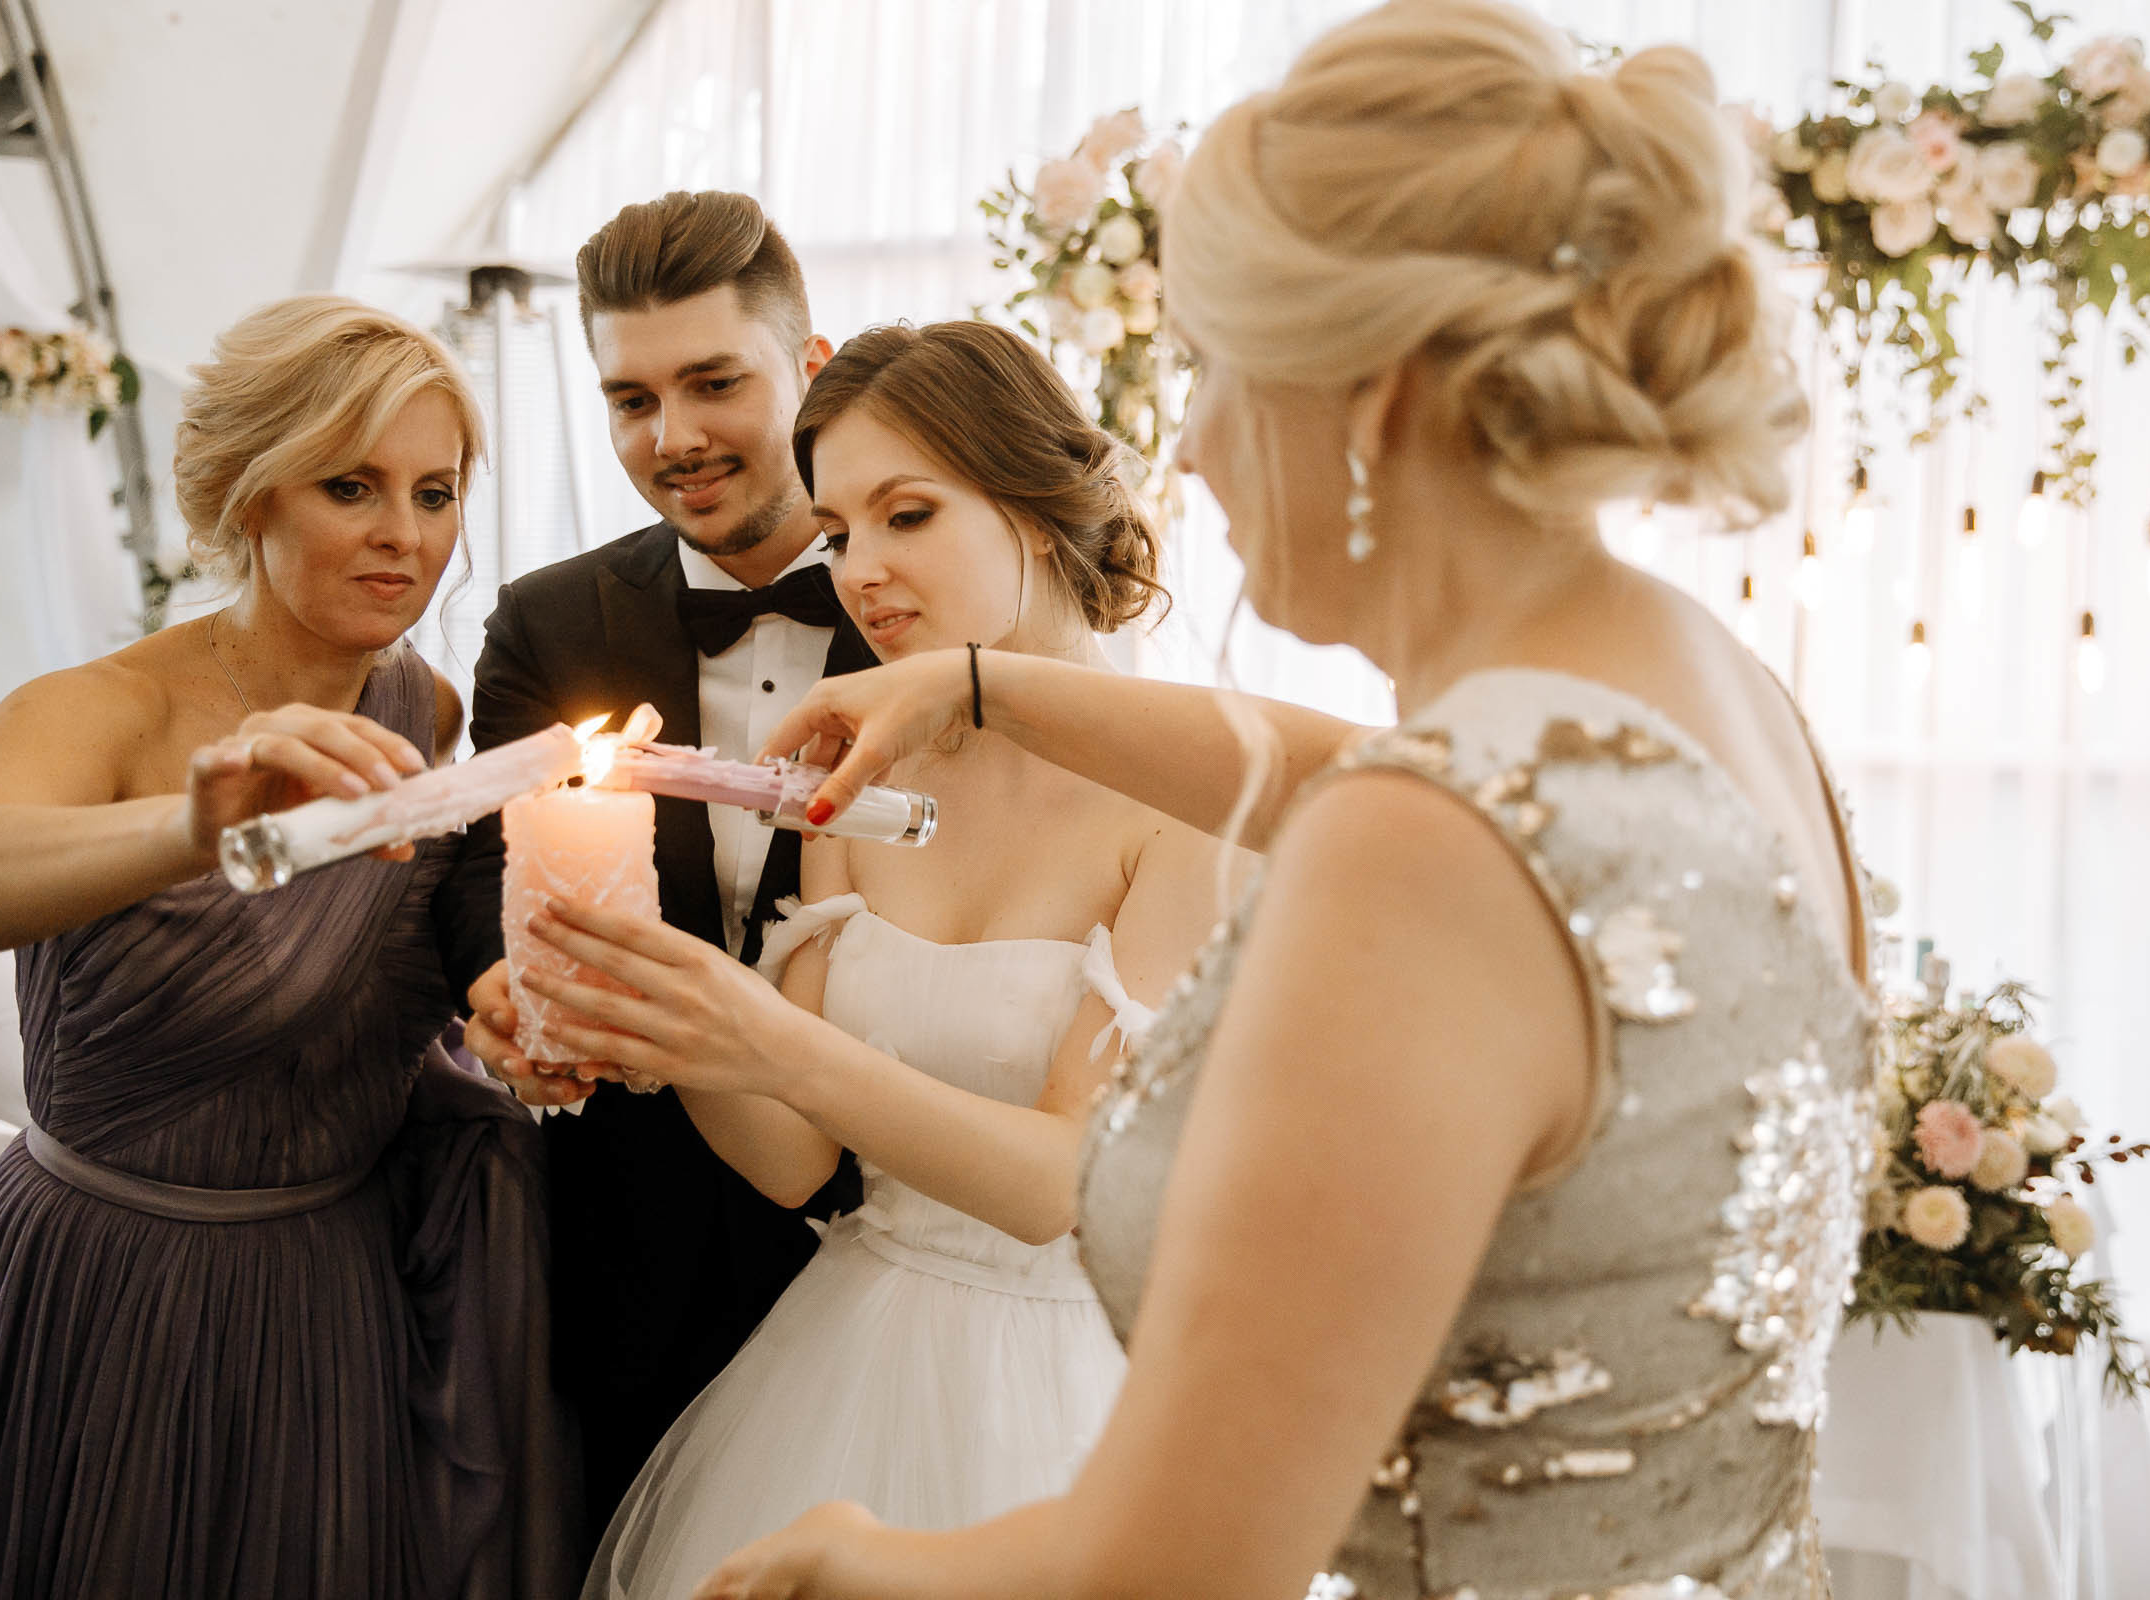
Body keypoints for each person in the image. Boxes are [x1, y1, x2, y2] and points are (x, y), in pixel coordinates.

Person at [694, 4, 1877, 1597]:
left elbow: (1180, 1561)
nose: (1188, 444)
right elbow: (1330, 770)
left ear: (1369, 399)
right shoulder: (1704, 691)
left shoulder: (1427, 850)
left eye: (1215, 372)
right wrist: (976, 687)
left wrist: (856, 1563)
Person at [508, 320, 1225, 1599]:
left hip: (1071, 1388)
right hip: (846, 1348)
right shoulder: (873, 774)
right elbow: (796, 1156)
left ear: (1039, 507)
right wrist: (652, 1005)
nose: (863, 573)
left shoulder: (1185, 803)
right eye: (839, 533)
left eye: (908, 516)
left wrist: (761, 1032)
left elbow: (1065, 1183)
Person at [0, 295, 571, 1599]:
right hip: (107, 1292)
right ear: (247, 493)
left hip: (329, 1289)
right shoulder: (100, 709)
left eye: (437, 491)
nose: (406, 535)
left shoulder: (423, 706)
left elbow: (377, 984)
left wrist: (502, 1015)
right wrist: (190, 826)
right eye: (353, 486)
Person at [441, 190, 878, 1546]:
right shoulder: (549, 618)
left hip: (901, 1223)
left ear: (808, 372)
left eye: (713, 383)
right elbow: (474, 863)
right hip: (635, 1243)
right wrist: (501, 980)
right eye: (630, 398)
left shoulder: (945, 612)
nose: (672, 437)